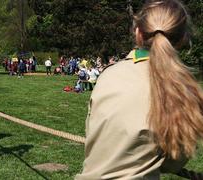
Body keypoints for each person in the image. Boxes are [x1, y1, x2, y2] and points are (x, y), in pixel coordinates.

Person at [76, 0, 203, 179]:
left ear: (138, 33)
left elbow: (94, 135)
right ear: (183, 38)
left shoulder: (108, 75)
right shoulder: (184, 88)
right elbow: (174, 161)